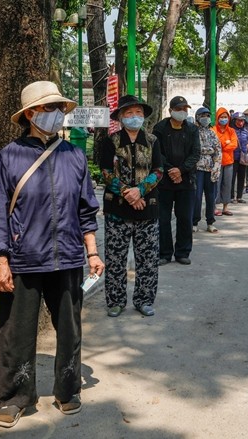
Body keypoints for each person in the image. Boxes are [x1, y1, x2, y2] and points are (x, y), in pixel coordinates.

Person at [0, 81, 104, 427]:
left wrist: (92, 253)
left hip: (67, 257)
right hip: (23, 258)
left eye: (57, 108)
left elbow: (86, 210)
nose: (55, 114)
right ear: (31, 114)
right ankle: (13, 397)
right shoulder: (10, 155)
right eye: (48, 108)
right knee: (16, 332)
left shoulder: (74, 154)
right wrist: (0, 260)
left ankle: (68, 390)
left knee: (69, 328)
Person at [98, 95, 162, 318]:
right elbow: (105, 172)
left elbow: (158, 171)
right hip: (117, 210)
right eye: (129, 113)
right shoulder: (111, 141)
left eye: (138, 113)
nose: (134, 117)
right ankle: (115, 301)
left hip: (148, 208)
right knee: (116, 258)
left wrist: (140, 191)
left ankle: (144, 299)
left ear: (143, 116)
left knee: (148, 259)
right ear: (121, 117)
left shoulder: (153, 141)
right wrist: (128, 193)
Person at [153, 96, 201, 266]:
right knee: (163, 218)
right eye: (179, 109)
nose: (182, 112)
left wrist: (181, 170)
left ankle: (183, 252)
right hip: (165, 181)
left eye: (185, 109)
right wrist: (171, 170)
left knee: (185, 218)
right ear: (171, 110)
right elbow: (157, 153)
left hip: (186, 180)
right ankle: (164, 253)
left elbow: (196, 153)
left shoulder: (192, 129)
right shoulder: (159, 128)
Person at [193, 106, 221, 233]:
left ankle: (210, 222)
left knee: (211, 196)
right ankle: (194, 222)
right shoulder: (193, 132)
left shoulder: (212, 133)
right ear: (197, 118)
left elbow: (218, 151)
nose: (205, 118)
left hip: (211, 168)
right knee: (197, 196)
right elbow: (195, 150)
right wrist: (208, 150)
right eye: (203, 116)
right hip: (197, 169)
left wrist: (216, 168)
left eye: (207, 116)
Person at [213, 107, 238, 215]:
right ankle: (213, 207)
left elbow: (234, 144)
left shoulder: (231, 131)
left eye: (225, 117)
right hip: (216, 162)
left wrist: (223, 145)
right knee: (215, 185)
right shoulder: (213, 130)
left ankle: (225, 207)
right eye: (221, 117)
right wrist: (225, 143)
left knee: (227, 184)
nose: (223, 119)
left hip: (228, 162)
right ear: (217, 118)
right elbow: (215, 144)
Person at [231, 112, 248, 203]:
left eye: (242, 121)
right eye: (239, 120)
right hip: (233, 158)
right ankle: (231, 196)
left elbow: (247, 142)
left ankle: (239, 196)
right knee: (232, 178)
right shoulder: (231, 131)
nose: (241, 123)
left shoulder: (245, 131)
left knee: (242, 177)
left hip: (243, 158)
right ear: (234, 121)